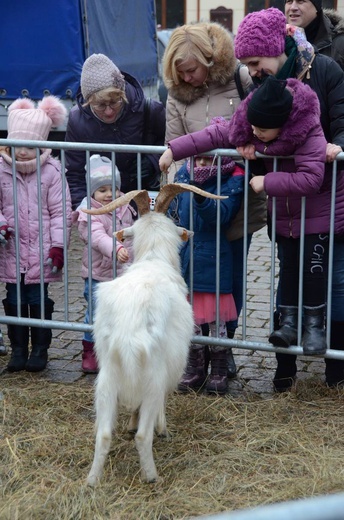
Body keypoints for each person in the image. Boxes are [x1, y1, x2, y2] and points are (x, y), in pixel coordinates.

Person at [232, 6, 344, 391]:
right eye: (246, 64)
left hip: (329, 196)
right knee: (289, 279)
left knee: (333, 281)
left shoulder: (325, 70)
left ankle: (336, 369)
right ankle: (285, 369)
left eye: (254, 61)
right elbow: (252, 129)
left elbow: (343, 120)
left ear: (274, 49)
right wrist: (249, 149)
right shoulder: (257, 83)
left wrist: (335, 147)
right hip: (285, 201)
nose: (251, 70)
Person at [162, 22, 267, 378]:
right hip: (195, 199)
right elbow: (173, 146)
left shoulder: (241, 79)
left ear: (209, 59)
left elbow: (260, 124)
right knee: (193, 276)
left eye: (191, 69)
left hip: (236, 198)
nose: (187, 77)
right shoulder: (177, 94)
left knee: (230, 274)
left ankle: (225, 347)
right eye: (180, 72)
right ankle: (195, 348)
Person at [172, 118, 245, 394]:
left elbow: (222, 216)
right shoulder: (183, 174)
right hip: (188, 257)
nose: (201, 165)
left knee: (215, 321)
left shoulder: (233, 178)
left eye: (207, 160)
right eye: (197, 160)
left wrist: (202, 198)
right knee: (190, 320)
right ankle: (195, 367)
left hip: (215, 258)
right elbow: (176, 209)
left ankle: (218, 367)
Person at [0, 96, 72, 372]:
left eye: (31, 146)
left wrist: (58, 246)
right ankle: (18, 349)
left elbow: (60, 212)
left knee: (37, 298)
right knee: (14, 298)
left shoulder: (52, 172)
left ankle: (40, 349)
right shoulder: (2, 168)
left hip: (40, 251)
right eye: (18, 145)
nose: (23, 152)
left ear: (41, 145)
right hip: (12, 248)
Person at [65, 53, 166, 210]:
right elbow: (74, 173)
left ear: (123, 94)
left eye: (115, 102)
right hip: (104, 207)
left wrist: (152, 161)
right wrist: (85, 211)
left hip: (145, 200)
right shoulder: (78, 121)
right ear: (87, 101)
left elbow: (174, 143)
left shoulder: (149, 109)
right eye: (100, 105)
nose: (109, 111)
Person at [74, 154, 137, 373]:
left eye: (113, 188)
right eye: (102, 190)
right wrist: (116, 248)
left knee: (121, 314)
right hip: (98, 275)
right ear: (92, 192)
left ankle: (115, 354)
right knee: (96, 314)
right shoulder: (88, 213)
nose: (109, 194)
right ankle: (90, 350)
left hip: (122, 275)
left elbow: (133, 234)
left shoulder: (126, 207)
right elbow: (97, 237)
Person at [285, 0, 344, 70]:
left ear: (317, 7)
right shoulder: (277, 42)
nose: (293, 7)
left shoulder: (340, 45)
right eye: (289, 1)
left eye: (300, 1)